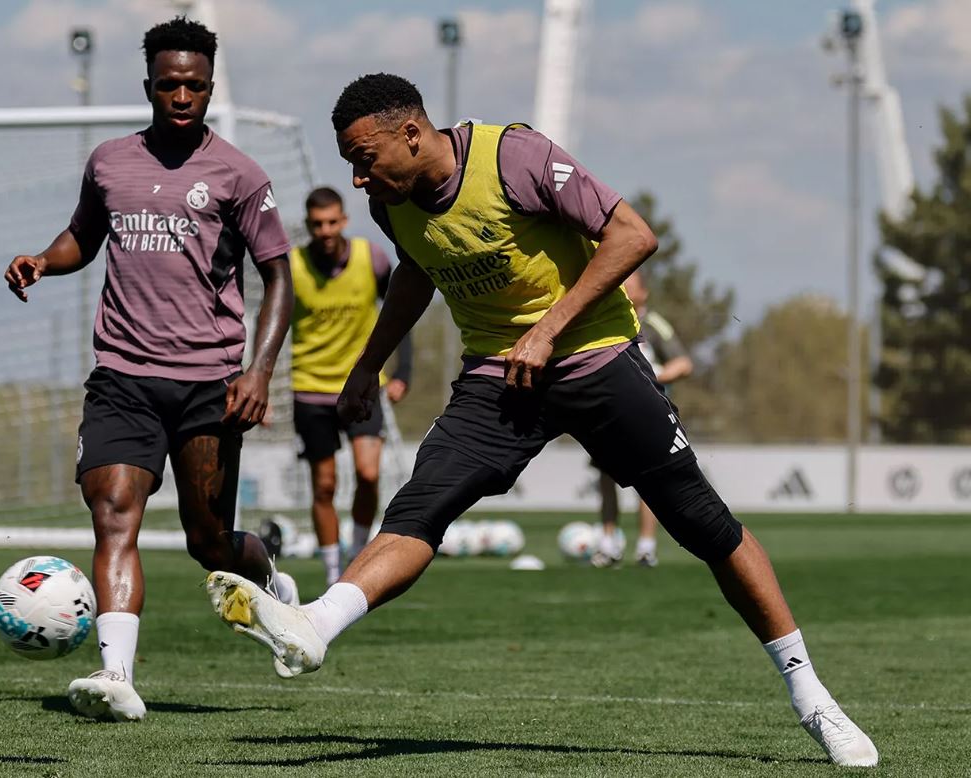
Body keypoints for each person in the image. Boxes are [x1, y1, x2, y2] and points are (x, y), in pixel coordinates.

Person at [205, 74, 878, 767]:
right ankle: (316, 624)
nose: (356, 177)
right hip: (499, 378)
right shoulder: (391, 201)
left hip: (595, 360)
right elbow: (415, 271)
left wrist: (549, 330)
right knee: (421, 505)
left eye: (364, 157)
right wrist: (366, 364)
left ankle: (812, 697)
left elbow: (632, 236)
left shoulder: (513, 158)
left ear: (411, 133)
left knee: (703, 525)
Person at [3, 16, 297, 722]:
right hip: (124, 377)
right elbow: (84, 235)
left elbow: (280, 277)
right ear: (149, 86)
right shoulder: (109, 161)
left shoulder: (238, 174)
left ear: (210, 87)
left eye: (194, 85)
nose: (182, 95)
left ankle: (271, 581)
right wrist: (45, 260)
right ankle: (117, 676)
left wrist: (258, 371)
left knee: (210, 544)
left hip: (209, 384)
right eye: (169, 84)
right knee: (113, 515)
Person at [291, 186, 412, 586]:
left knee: (368, 473)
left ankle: (357, 559)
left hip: (361, 387)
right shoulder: (293, 266)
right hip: (309, 387)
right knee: (324, 484)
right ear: (308, 225)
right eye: (317, 224)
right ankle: (331, 573)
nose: (325, 230)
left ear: (343, 220)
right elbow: (272, 324)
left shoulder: (371, 258)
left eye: (331, 222)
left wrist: (402, 372)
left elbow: (400, 308)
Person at [594, 269, 694, 567]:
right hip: (610, 411)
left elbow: (684, 362)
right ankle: (610, 543)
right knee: (606, 475)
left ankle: (646, 547)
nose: (622, 287)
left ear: (644, 293)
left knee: (647, 478)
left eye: (629, 283)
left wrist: (656, 376)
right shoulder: (607, 319)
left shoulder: (653, 324)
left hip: (647, 410)